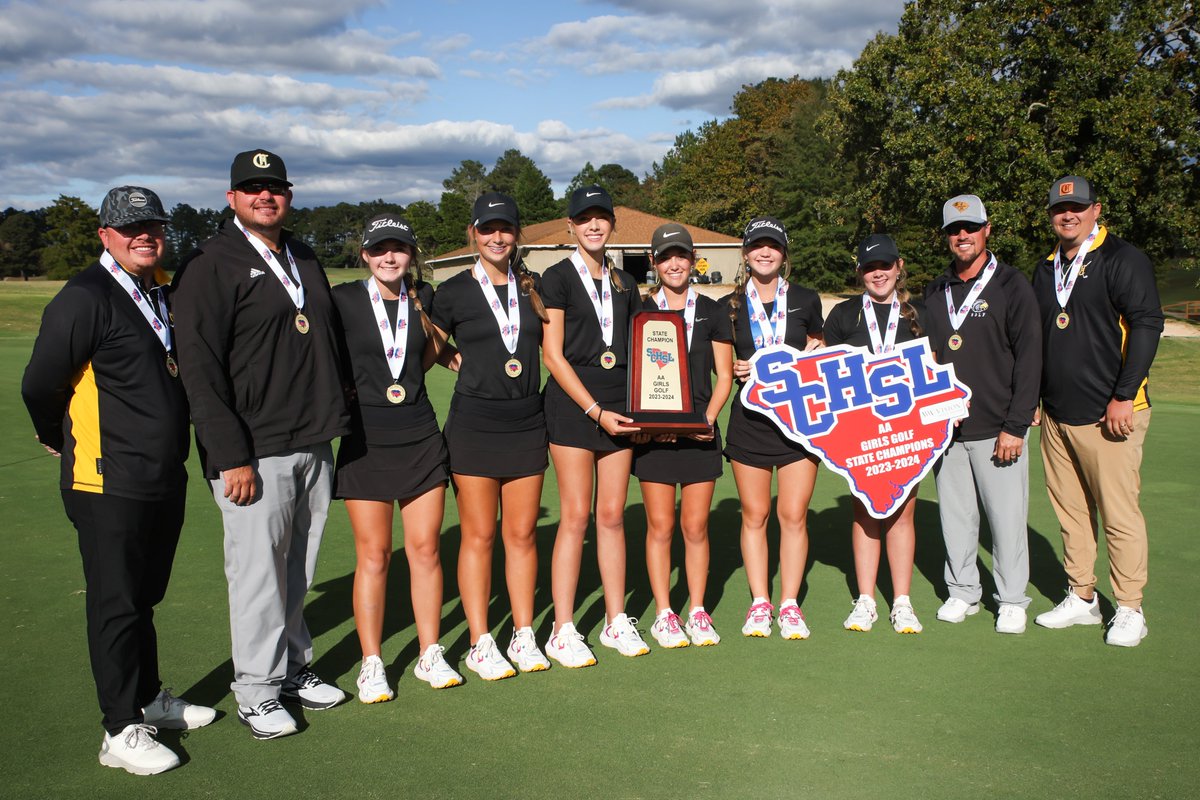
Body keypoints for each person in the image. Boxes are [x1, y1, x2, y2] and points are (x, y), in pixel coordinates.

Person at [22, 186, 215, 775]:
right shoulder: (83, 297)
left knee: (143, 599)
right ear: (104, 234)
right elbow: (39, 384)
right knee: (115, 604)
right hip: (106, 481)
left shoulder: (160, 289)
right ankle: (119, 728)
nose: (145, 236)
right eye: (131, 228)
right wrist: (59, 435)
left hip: (161, 476)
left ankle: (148, 698)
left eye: (153, 226)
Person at [172, 149, 351, 739]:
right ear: (232, 198)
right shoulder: (210, 263)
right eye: (251, 189)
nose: (264, 196)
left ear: (289, 196)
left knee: (296, 570)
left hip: (311, 442)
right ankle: (255, 688)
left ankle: (293, 668)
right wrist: (230, 457)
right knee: (257, 575)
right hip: (254, 451)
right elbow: (200, 370)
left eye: (274, 187)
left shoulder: (301, 254)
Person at [333, 213, 462, 701]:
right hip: (365, 437)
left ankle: (430, 652)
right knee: (375, 555)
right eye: (380, 249)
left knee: (426, 549)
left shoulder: (424, 299)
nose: (390, 257)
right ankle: (372, 662)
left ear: (412, 256)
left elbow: (432, 352)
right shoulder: (342, 300)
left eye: (400, 249)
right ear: (365, 254)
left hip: (419, 433)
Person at [1032, 175, 1163, 647]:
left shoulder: (1122, 258)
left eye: (1077, 207)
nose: (1067, 215)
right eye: (1058, 209)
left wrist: (1124, 394)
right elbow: (1040, 340)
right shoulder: (1046, 267)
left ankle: (1130, 607)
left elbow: (1147, 325)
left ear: (1096, 210)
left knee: (1118, 514)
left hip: (1111, 414)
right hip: (1056, 415)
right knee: (1071, 514)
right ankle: (1082, 596)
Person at [430, 193, 552, 679]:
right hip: (475, 424)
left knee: (520, 535)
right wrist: (453, 358)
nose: (497, 237)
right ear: (473, 234)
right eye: (487, 229)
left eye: (505, 228)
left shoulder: (534, 286)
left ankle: (523, 634)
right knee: (479, 536)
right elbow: (426, 345)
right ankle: (481, 640)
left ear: (517, 234)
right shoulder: (454, 290)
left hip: (526, 421)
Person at [924, 195, 1041, 635]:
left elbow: (1030, 357)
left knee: (1006, 519)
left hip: (998, 428)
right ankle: (963, 591)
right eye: (954, 230)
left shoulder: (1012, 285)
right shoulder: (936, 291)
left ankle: (1011, 598)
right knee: (956, 519)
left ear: (987, 229)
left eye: (970, 227)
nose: (962, 236)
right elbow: (929, 357)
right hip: (948, 429)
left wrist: (1016, 423)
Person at [540, 185, 647, 665]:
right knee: (576, 516)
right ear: (571, 225)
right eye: (585, 219)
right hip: (573, 404)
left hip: (620, 402)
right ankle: (563, 628)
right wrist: (594, 411)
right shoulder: (556, 277)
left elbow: (644, 350)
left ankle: (614, 619)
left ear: (612, 223)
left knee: (612, 515)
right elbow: (553, 355)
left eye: (601, 217)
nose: (594, 225)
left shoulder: (626, 282)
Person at [720, 216, 825, 640]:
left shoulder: (805, 298)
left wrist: (816, 353)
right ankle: (760, 603)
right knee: (755, 515)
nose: (765, 253)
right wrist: (731, 365)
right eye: (757, 246)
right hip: (750, 423)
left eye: (773, 246)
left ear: (784, 253)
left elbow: (818, 351)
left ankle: (789, 604)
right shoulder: (727, 305)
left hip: (800, 424)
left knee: (793, 515)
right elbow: (719, 361)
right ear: (745, 253)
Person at [632, 223, 733, 648]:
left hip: (699, 435)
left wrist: (706, 420)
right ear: (654, 263)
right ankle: (663, 613)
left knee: (695, 527)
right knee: (660, 526)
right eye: (666, 257)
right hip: (655, 437)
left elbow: (724, 376)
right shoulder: (637, 310)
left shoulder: (711, 310)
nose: (675, 264)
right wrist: (650, 424)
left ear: (693, 262)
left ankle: (696, 609)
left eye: (682, 256)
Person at [823, 234, 928, 634]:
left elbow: (934, 369)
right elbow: (826, 373)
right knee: (866, 511)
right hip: (860, 433)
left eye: (884, 265)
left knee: (902, 513)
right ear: (860, 273)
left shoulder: (918, 312)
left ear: (899, 267)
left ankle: (901, 602)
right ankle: (866, 599)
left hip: (908, 431)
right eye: (869, 267)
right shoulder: (843, 315)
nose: (877, 273)